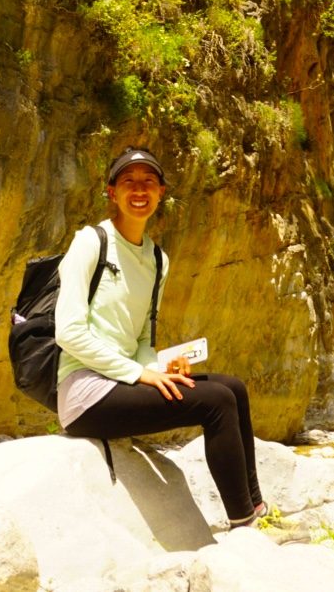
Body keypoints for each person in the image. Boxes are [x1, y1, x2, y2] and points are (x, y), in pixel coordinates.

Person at [55, 145, 266, 528]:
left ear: (161, 192)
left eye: (149, 182)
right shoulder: (90, 243)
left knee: (232, 387)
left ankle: (255, 507)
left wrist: (159, 367)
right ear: (112, 192)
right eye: (129, 182)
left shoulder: (156, 260)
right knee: (215, 401)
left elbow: (140, 342)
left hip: (122, 382)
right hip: (85, 394)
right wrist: (141, 375)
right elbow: (68, 332)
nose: (139, 190)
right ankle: (242, 525)